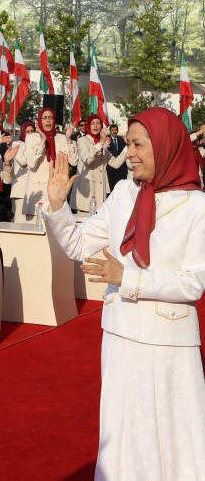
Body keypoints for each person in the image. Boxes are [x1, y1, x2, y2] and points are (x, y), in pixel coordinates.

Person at [44, 107, 205, 480]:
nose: (129, 152)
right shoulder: (123, 191)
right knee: (122, 436)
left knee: (173, 436)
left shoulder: (197, 207)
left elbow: (192, 283)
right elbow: (80, 244)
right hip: (119, 334)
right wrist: (57, 207)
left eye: (137, 144)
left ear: (164, 146)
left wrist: (127, 276)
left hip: (168, 342)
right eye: (128, 143)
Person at [21, 108, 77, 221]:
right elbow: (31, 164)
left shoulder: (61, 138)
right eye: (44, 117)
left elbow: (74, 161)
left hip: (56, 192)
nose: (48, 120)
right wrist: (42, 141)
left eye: (50, 117)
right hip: (38, 193)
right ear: (39, 121)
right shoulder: (31, 138)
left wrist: (69, 139)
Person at [69, 114, 127, 214]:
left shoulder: (101, 143)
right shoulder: (83, 141)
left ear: (101, 127)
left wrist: (129, 146)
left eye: (98, 123)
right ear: (88, 126)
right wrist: (101, 144)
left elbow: (115, 163)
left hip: (100, 195)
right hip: (86, 194)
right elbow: (87, 159)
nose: (95, 126)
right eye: (92, 123)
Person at [10, 121, 35, 223]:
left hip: (33, 188)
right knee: (20, 220)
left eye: (32, 131)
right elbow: (23, 161)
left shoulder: (38, 145)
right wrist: (32, 148)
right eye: (27, 131)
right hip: (21, 188)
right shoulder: (17, 144)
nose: (30, 134)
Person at [106, 124, 128, 191]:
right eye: (112, 130)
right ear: (110, 131)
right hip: (111, 169)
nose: (114, 132)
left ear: (117, 131)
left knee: (120, 188)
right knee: (111, 188)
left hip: (121, 169)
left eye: (115, 130)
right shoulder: (107, 140)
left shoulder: (121, 140)